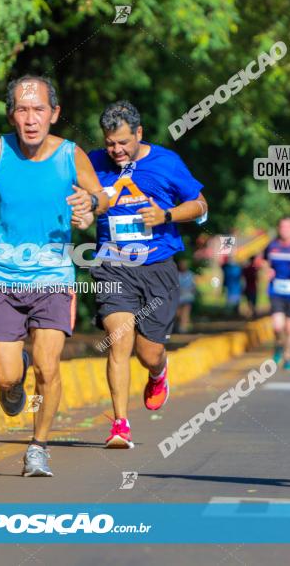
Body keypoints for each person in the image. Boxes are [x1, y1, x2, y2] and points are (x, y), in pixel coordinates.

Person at [0, 74, 108, 476]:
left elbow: (102, 197)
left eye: (39, 110)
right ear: (11, 114)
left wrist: (89, 206)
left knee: (49, 366)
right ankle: (14, 374)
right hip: (3, 279)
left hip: (54, 277)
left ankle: (38, 446)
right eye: (23, 110)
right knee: (5, 375)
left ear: (54, 114)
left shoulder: (71, 156)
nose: (30, 119)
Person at [87, 100, 208, 449]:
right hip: (114, 264)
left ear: (139, 133)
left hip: (158, 267)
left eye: (124, 142)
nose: (117, 150)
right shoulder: (93, 163)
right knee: (118, 340)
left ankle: (158, 372)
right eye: (110, 143)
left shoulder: (166, 162)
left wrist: (166, 216)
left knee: (147, 352)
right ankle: (120, 425)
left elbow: (201, 206)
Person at [260, 216, 290, 372]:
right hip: (276, 290)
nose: (285, 230)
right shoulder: (272, 245)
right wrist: (267, 270)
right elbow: (263, 262)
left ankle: (287, 358)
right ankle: (278, 347)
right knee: (277, 326)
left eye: (288, 227)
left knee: (289, 328)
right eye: (282, 227)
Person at [176, 259, 196, 333]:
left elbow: (193, 286)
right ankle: (184, 324)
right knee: (178, 313)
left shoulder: (190, 274)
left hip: (188, 297)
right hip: (178, 297)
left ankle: (183, 327)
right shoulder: (177, 274)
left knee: (185, 312)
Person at [242, 254, 260, 319]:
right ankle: (253, 313)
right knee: (253, 302)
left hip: (248, 287)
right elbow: (257, 278)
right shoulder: (254, 269)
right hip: (252, 288)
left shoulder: (246, 269)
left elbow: (243, 277)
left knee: (249, 301)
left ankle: (251, 313)